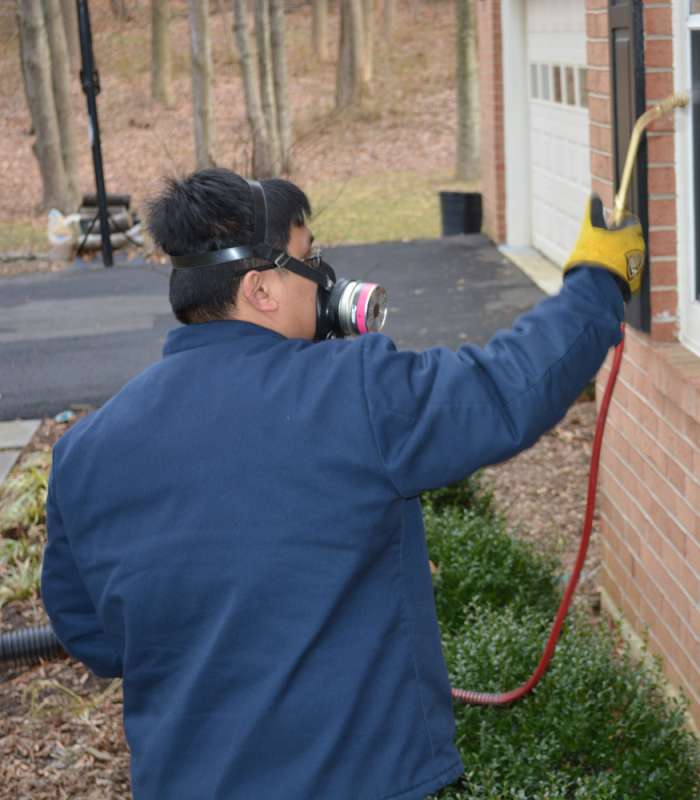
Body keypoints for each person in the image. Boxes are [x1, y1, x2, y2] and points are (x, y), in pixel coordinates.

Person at [41, 168, 645, 800]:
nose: (325, 280)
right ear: (261, 288)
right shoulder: (351, 391)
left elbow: (94, 638)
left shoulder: (85, 453)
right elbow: (502, 390)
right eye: (309, 260)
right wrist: (595, 285)